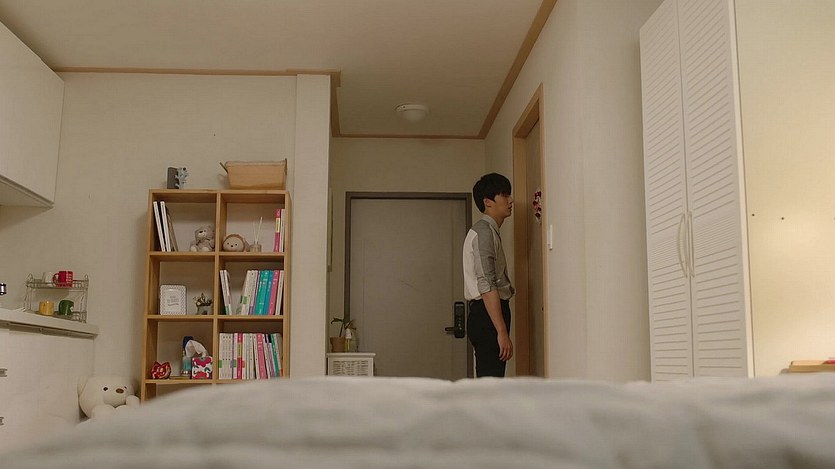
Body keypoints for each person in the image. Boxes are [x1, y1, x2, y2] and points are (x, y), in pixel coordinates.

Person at [462, 172, 514, 377]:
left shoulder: (489, 231)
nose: (510, 200)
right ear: (488, 202)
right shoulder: (483, 233)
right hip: (487, 314)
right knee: (491, 383)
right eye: (505, 195)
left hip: (488, 313)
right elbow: (486, 283)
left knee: (491, 380)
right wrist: (501, 331)